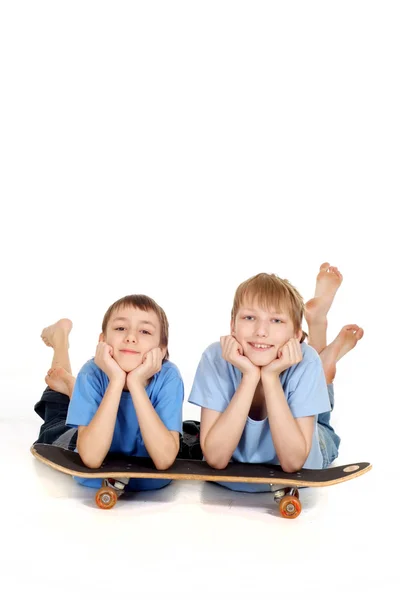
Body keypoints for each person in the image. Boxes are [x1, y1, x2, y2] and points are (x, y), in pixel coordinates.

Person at [188, 263, 364, 492]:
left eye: (277, 320)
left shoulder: (305, 359)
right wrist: (250, 376)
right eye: (250, 317)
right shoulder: (215, 357)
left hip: (309, 441)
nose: (261, 331)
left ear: (296, 335)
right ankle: (325, 360)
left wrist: (271, 377)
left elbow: (293, 463)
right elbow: (215, 459)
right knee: (313, 373)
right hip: (301, 376)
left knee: (321, 421)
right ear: (232, 326)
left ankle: (320, 338)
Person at [34, 294, 184, 491]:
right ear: (102, 341)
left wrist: (136, 384)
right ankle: (60, 339)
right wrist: (116, 380)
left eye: (145, 331)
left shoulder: (169, 377)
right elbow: (91, 458)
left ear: (162, 350)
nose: (131, 337)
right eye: (120, 328)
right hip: (80, 438)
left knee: (78, 392)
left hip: (102, 417)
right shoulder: (92, 373)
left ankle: (72, 387)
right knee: (56, 402)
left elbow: (164, 460)